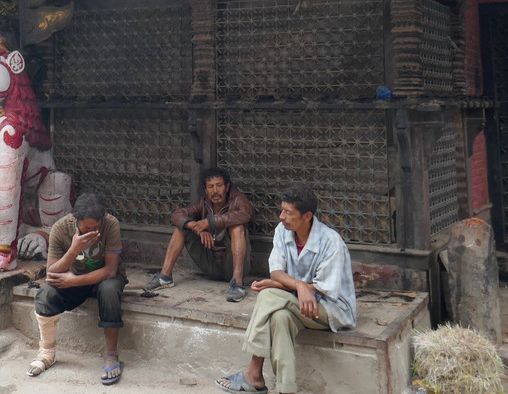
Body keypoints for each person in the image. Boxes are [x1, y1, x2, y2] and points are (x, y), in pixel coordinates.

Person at [215, 183, 356, 394]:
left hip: (331, 309)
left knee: (269, 294)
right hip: (297, 304)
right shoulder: (282, 231)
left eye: (288, 212)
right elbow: (276, 271)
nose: (282, 216)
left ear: (307, 216)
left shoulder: (331, 242)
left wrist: (280, 286)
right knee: (279, 318)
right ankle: (286, 389)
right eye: (282, 210)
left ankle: (253, 371)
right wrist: (299, 286)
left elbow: (323, 289)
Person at [28, 192, 128, 385]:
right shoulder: (60, 228)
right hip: (72, 277)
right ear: (75, 219)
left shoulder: (110, 224)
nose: (91, 231)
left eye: (96, 227)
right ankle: (47, 352)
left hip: (102, 278)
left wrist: (74, 281)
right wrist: (73, 250)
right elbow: (52, 273)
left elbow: (110, 270)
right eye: (86, 228)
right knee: (46, 293)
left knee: (109, 290)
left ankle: (111, 355)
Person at [144, 167, 253, 302]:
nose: (215, 191)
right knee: (181, 227)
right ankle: (165, 277)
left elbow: (245, 214)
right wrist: (196, 227)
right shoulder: (203, 203)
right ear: (206, 190)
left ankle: (238, 284)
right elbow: (177, 215)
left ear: (227, 187)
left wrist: (210, 222)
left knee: (237, 227)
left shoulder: (238, 199)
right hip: (210, 264)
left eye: (219, 186)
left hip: (232, 265)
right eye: (211, 187)